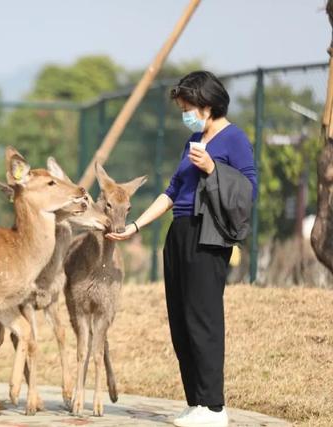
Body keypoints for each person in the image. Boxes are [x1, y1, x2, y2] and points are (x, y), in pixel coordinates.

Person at [106, 71, 257, 427]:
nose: (184, 114)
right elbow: (172, 191)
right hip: (180, 232)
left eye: (188, 107)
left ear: (207, 105)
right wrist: (136, 225)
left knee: (203, 318)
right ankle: (196, 402)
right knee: (181, 319)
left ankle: (215, 407)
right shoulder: (193, 138)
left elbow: (248, 189)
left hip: (209, 235)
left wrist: (212, 169)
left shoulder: (234, 139)